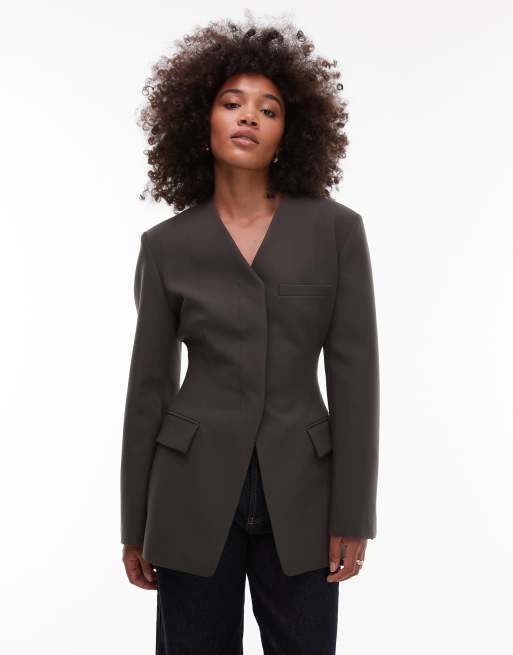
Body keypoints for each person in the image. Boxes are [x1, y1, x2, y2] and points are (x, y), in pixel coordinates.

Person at [120, 14, 380, 655]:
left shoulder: (337, 232)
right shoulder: (165, 246)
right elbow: (148, 389)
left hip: (306, 493)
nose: (249, 117)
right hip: (189, 492)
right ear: (199, 120)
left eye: (269, 109)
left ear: (292, 132)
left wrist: (354, 514)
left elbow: (356, 381)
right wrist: (134, 524)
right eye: (231, 102)